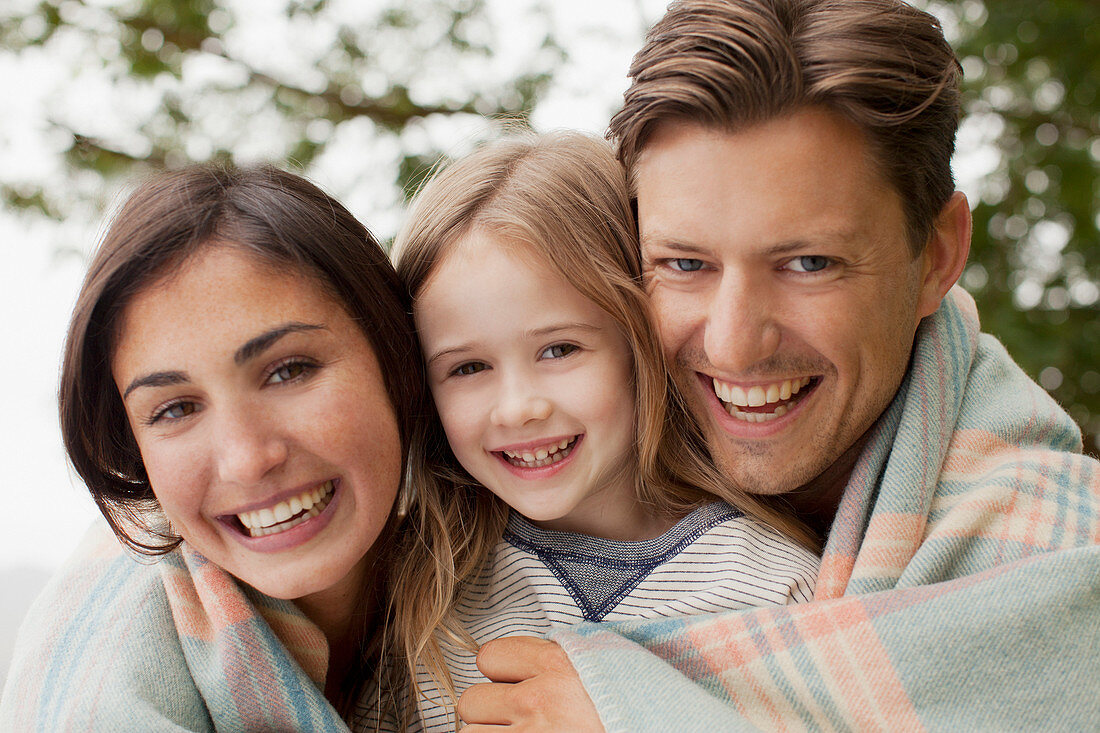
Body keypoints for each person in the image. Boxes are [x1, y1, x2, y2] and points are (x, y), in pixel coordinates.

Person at [456, 1, 1100, 730]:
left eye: (808, 262)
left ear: (939, 256)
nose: (734, 345)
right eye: (685, 263)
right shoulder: (494, 509)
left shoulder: (1063, 573)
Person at [385, 131, 819, 731]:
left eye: (560, 349)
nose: (517, 409)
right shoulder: (420, 593)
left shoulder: (782, 585)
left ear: (639, 339)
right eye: (468, 367)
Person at [0, 164, 422, 730]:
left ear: (392, 354)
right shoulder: (103, 679)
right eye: (175, 409)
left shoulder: (522, 549)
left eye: (289, 371)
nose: (247, 458)